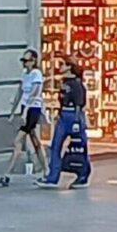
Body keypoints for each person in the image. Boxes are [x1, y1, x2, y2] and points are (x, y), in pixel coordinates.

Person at [37, 56, 90, 190]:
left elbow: (80, 103)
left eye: (62, 64)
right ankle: (53, 177)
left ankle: (83, 174)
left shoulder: (76, 84)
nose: (59, 67)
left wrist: (77, 121)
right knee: (56, 146)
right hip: (64, 115)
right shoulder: (64, 82)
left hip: (73, 115)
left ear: (69, 67)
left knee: (79, 146)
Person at [0, 49, 46, 186]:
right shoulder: (25, 74)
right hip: (26, 108)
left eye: (26, 61)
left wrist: (25, 112)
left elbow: (35, 94)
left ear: (34, 61)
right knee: (35, 142)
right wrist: (13, 111)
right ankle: (47, 171)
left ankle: (7, 174)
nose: (24, 63)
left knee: (17, 140)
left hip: (33, 109)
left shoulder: (36, 74)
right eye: (22, 61)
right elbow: (20, 92)